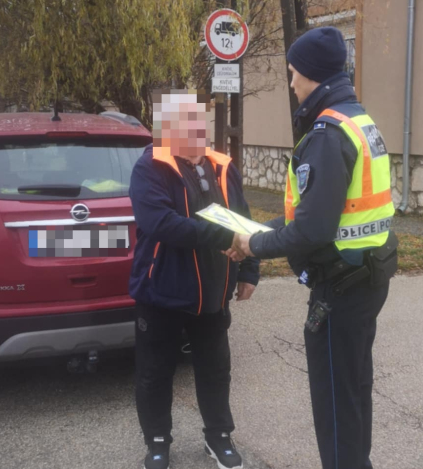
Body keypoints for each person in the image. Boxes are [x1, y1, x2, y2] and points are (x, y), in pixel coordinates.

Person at [226, 27, 397, 469]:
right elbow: (325, 215)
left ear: (313, 76)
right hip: (366, 278)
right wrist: (257, 231)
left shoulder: (327, 134)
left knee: (337, 405)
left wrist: (252, 244)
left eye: (293, 72)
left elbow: (313, 230)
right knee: (355, 392)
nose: (291, 82)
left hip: (339, 288)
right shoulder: (359, 120)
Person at [129, 89, 259, 469]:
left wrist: (249, 269)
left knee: (215, 369)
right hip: (161, 292)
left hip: (214, 293)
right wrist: (225, 238)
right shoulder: (150, 167)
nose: (196, 130)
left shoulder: (221, 165)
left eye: (199, 122)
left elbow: (242, 216)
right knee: (155, 373)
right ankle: (156, 443)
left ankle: (218, 437)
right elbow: (163, 224)